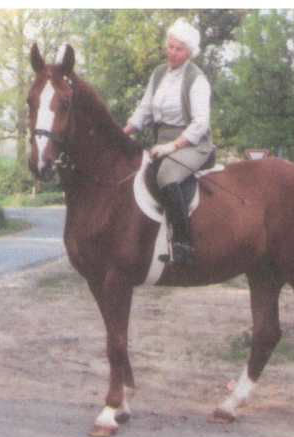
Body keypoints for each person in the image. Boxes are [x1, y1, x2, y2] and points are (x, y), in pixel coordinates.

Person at [124, 19, 213, 266]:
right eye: (170, 46)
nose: (172, 53)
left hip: (192, 143)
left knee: (166, 177)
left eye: (179, 49)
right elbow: (143, 110)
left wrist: (173, 146)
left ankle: (183, 244)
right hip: (160, 142)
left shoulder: (197, 80)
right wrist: (124, 133)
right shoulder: (159, 74)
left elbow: (200, 124)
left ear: (190, 53)